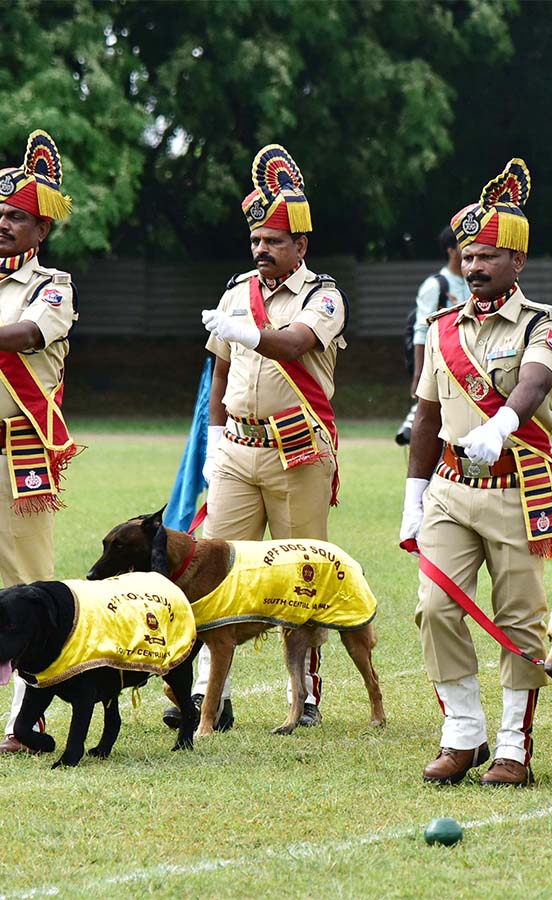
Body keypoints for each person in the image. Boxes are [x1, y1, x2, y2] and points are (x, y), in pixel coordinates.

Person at [400, 158, 552, 787]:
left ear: (517, 262)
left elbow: (533, 381)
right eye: (468, 255)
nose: (474, 266)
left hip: (515, 486)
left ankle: (513, 745)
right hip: (448, 487)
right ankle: (462, 733)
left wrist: (500, 425)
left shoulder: (546, 323)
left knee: (520, 617)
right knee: (435, 606)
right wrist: (413, 498)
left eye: (489, 256)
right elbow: (424, 416)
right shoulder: (443, 327)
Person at [187, 144, 346, 731]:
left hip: (297, 449)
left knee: (300, 572)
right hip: (237, 447)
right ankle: (209, 693)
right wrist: (213, 440)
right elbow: (221, 371)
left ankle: (303, 697)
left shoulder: (322, 295)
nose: (262, 250)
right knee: (212, 568)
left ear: (300, 246)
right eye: (256, 240)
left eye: (274, 240)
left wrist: (246, 329)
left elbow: (293, 344)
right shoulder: (237, 292)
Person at [0, 131, 82, 755]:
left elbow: (27, 334)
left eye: (17, 217)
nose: (3, 224)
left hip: (19, 453)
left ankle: (30, 720)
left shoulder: (52, 285)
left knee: (31, 587)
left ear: (41, 231)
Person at [396, 227, 467, 446]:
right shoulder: (435, 285)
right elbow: (421, 331)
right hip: (441, 367)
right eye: (464, 244)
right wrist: (419, 375)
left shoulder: (476, 283)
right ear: (451, 250)